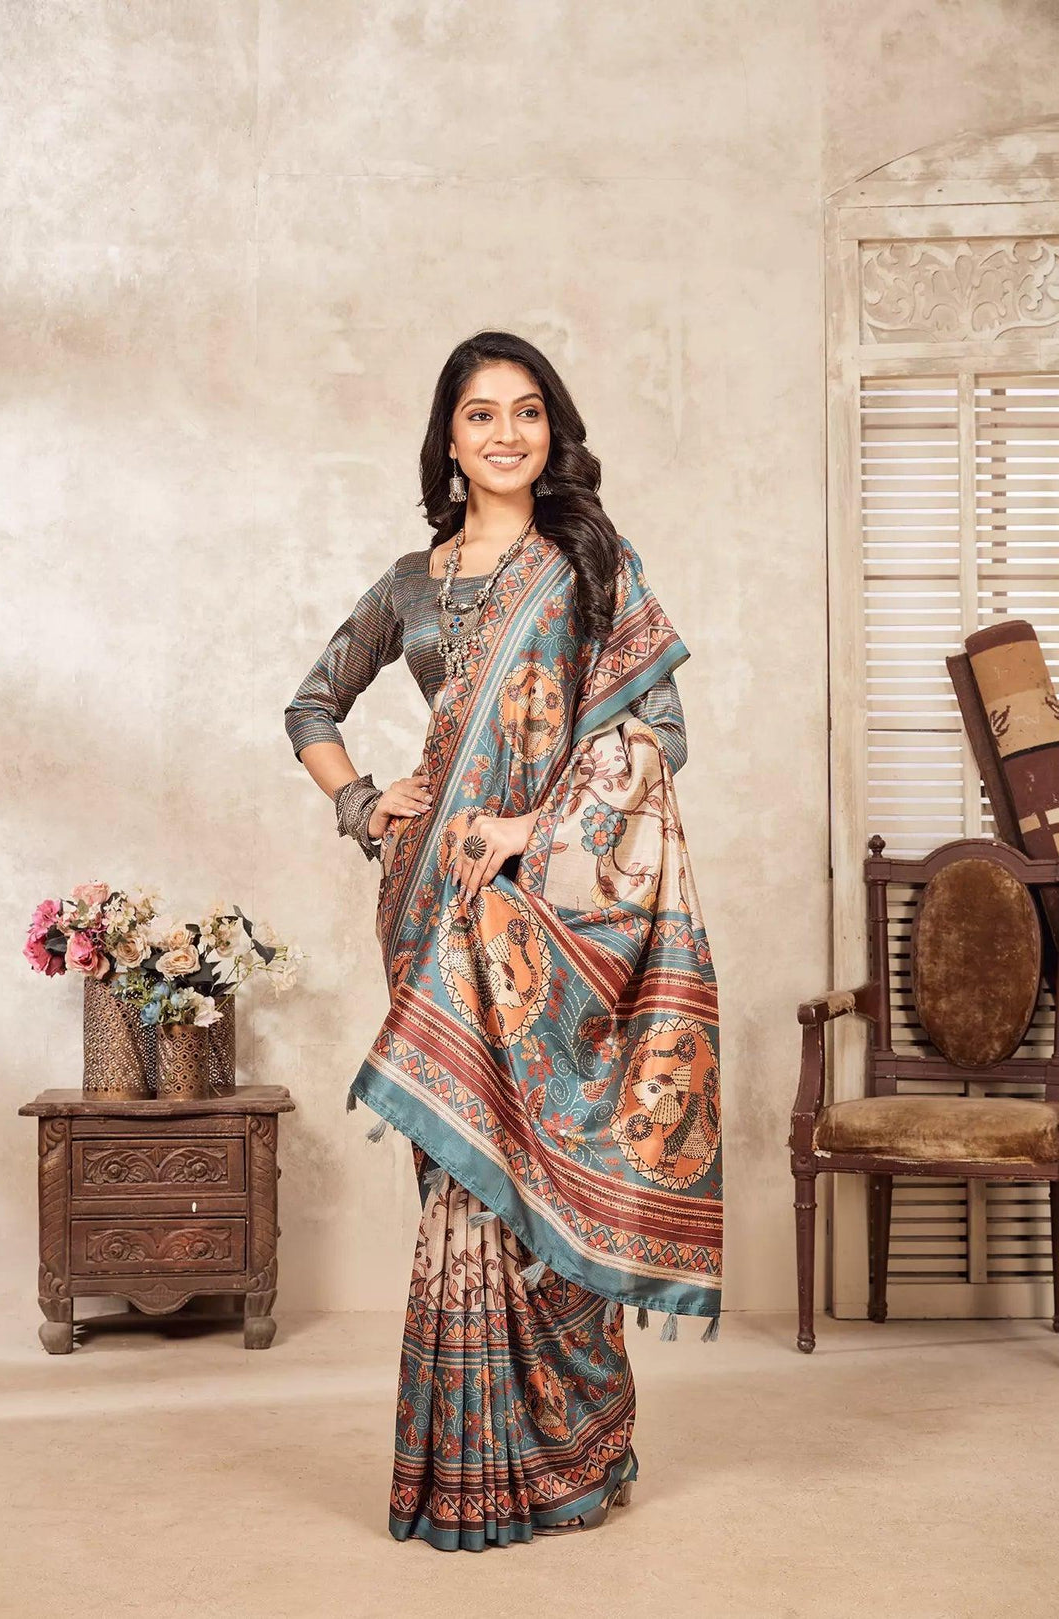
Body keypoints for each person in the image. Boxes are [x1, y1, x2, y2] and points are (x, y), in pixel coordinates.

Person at [284, 330, 722, 1552]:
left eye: (528, 412)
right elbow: (311, 702)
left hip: (550, 900)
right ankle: (470, 1465)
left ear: (551, 429)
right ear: (451, 439)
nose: (508, 433)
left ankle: (569, 1452)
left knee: (547, 1165)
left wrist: (533, 822)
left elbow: (659, 733)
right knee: (465, 1178)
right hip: (432, 902)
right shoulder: (409, 586)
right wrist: (367, 804)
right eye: (482, 415)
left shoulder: (589, 561)